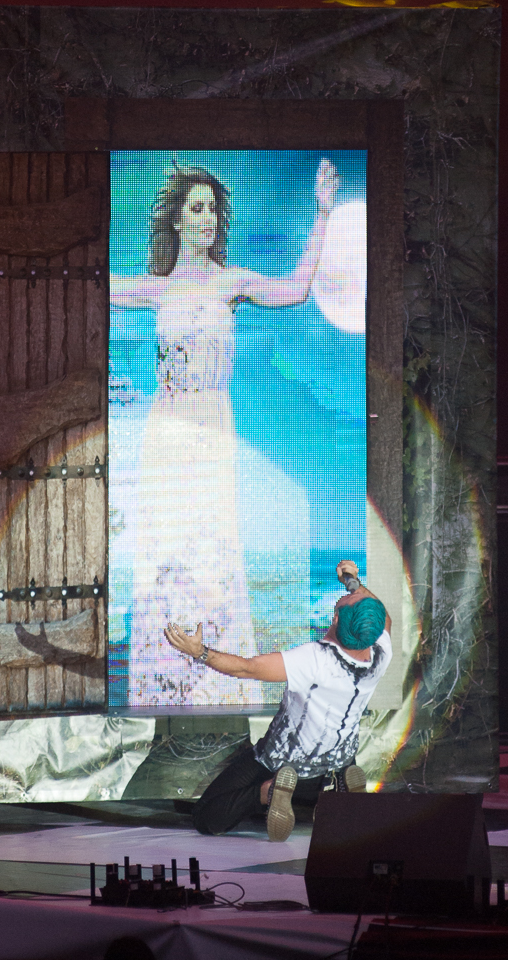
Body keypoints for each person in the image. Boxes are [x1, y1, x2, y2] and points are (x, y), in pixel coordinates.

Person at [111, 158, 340, 708]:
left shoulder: (231, 282)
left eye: (213, 207)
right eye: (197, 207)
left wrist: (323, 213)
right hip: (167, 436)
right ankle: (162, 681)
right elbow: (92, 288)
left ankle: (214, 682)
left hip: (213, 433)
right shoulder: (155, 288)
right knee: (167, 551)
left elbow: (296, 290)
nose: (207, 217)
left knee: (212, 551)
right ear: (177, 220)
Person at [164, 560, 392, 841]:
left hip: (281, 762)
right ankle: (336, 789)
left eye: (347, 598)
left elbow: (246, 668)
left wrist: (199, 652)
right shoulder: (380, 653)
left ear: (335, 620)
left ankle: (268, 792)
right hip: (337, 761)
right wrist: (353, 582)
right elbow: (384, 617)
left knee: (206, 817)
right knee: (327, 769)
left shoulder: (314, 660)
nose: (352, 593)